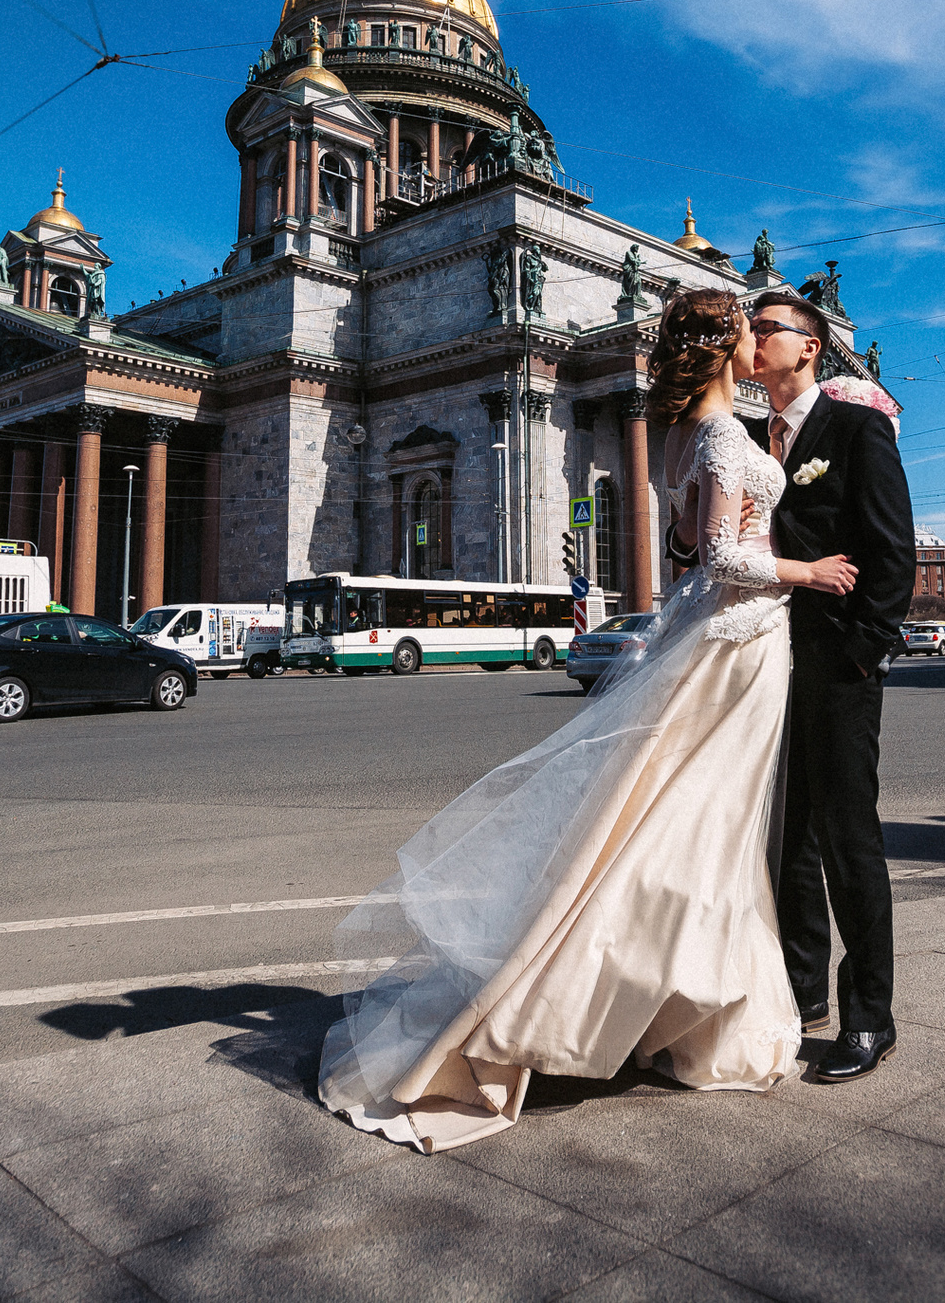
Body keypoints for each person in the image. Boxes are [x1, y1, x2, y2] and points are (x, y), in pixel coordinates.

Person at [316, 288, 860, 1153]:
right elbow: (719, 557)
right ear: (725, 351)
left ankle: (656, 994)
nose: (761, 341)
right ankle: (668, 1006)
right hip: (742, 640)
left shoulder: (685, 436)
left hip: (718, 638)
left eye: (770, 331)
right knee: (707, 824)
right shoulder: (722, 435)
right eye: (749, 332)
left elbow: (684, 545)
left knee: (674, 819)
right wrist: (809, 568)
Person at [743, 290, 916, 1084]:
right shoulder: (752, 439)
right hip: (767, 668)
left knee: (850, 841)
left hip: (838, 667)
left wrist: (864, 653)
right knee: (789, 839)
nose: (751, 338)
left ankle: (869, 1017)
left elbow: (891, 550)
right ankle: (802, 986)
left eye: (764, 327)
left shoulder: (855, 429)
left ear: (810, 348)